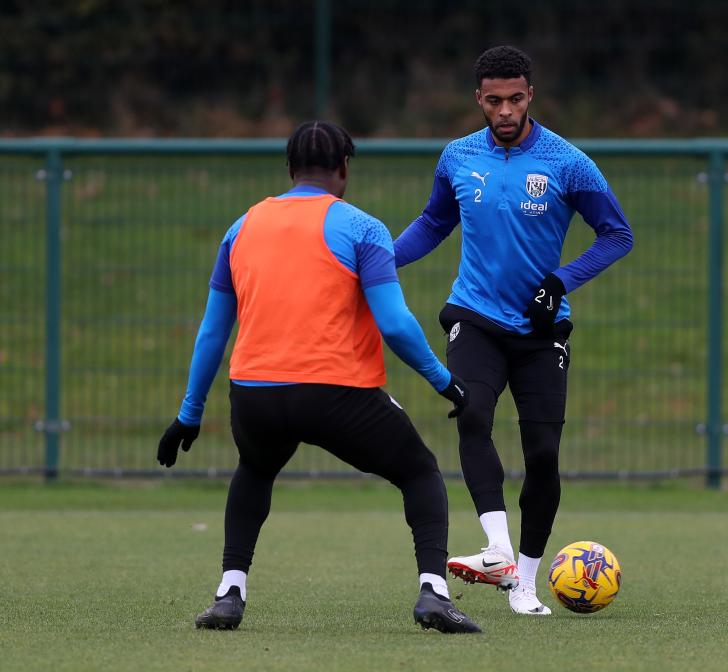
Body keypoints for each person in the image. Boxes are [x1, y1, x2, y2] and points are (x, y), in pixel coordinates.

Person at [156, 121, 481, 634]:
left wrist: (188, 414)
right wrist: (445, 381)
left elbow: (212, 333)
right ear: (344, 168)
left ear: (289, 171)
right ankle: (434, 595)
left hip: (255, 395)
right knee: (420, 472)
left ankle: (229, 593)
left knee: (255, 470)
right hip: (337, 394)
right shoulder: (363, 228)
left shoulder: (240, 228)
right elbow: (395, 323)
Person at [393, 46, 634, 615]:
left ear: (531, 97)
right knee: (472, 413)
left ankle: (524, 581)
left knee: (543, 452)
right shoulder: (457, 157)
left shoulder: (568, 162)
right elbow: (433, 222)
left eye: (516, 99)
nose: (505, 110)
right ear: (479, 99)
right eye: (494, 100)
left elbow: (617, 234)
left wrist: (563, 279)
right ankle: (498, 551)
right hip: (473, 315)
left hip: (540, 328)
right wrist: (379, 262)